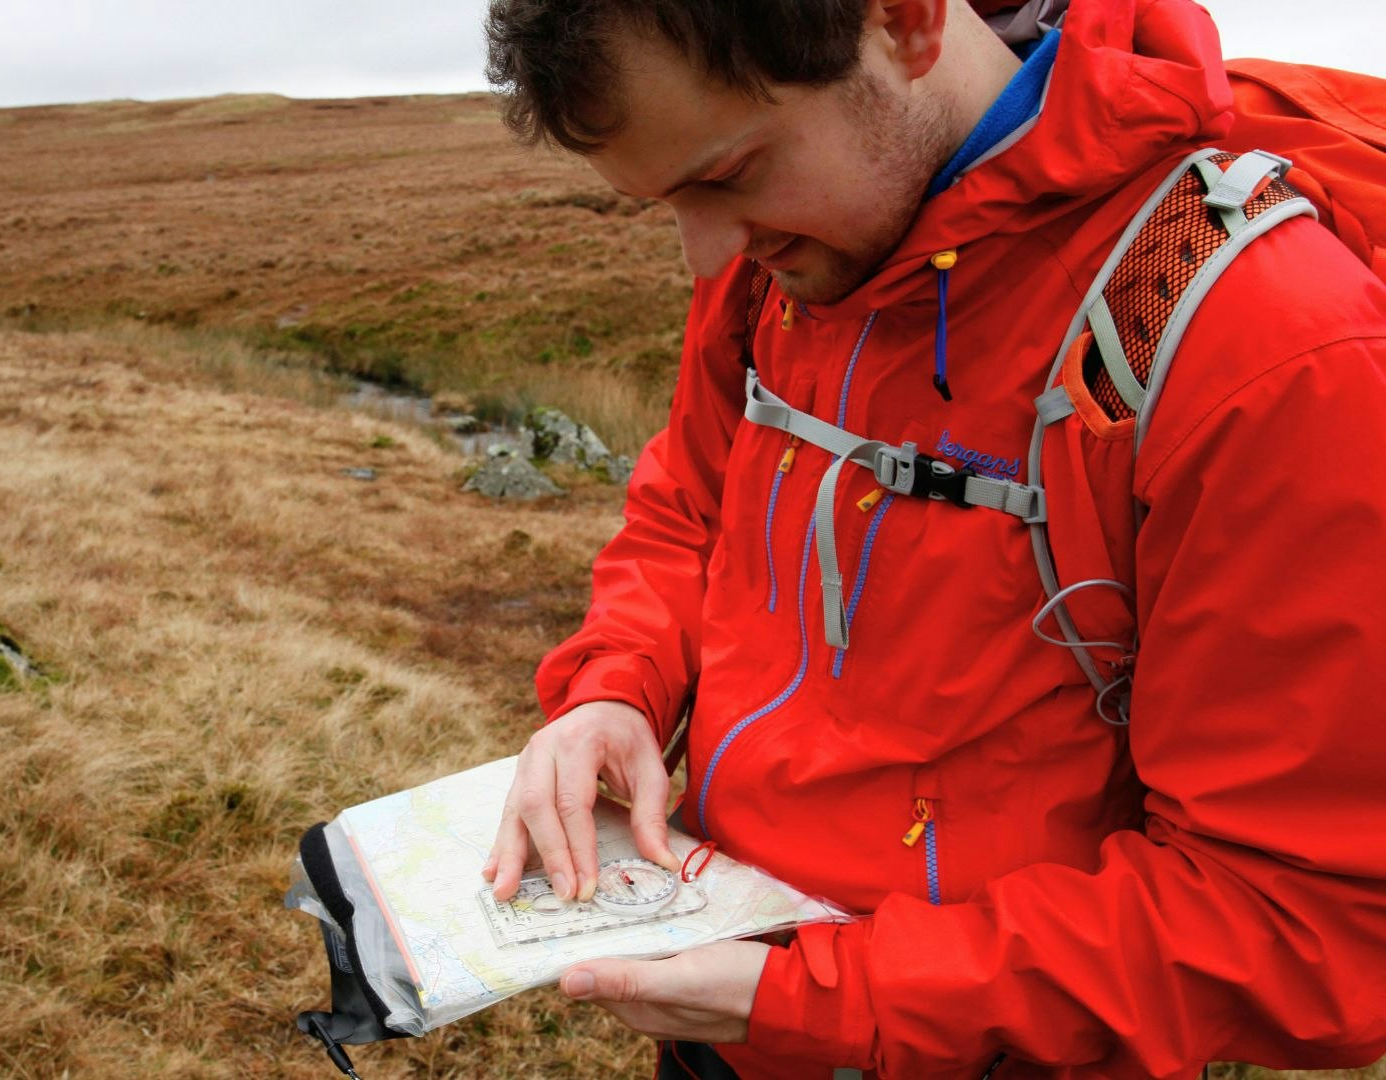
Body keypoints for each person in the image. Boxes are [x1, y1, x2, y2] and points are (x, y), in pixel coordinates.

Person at [479, 0, 1386, 1076]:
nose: (704, 253)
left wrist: (826, 999)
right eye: (665, 201)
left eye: (726, 174)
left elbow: (1302, 920)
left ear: (904, 25)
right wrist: (616, 688)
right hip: (722, 1000)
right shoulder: (782, 255)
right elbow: (690, 500)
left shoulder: (1268, 344)